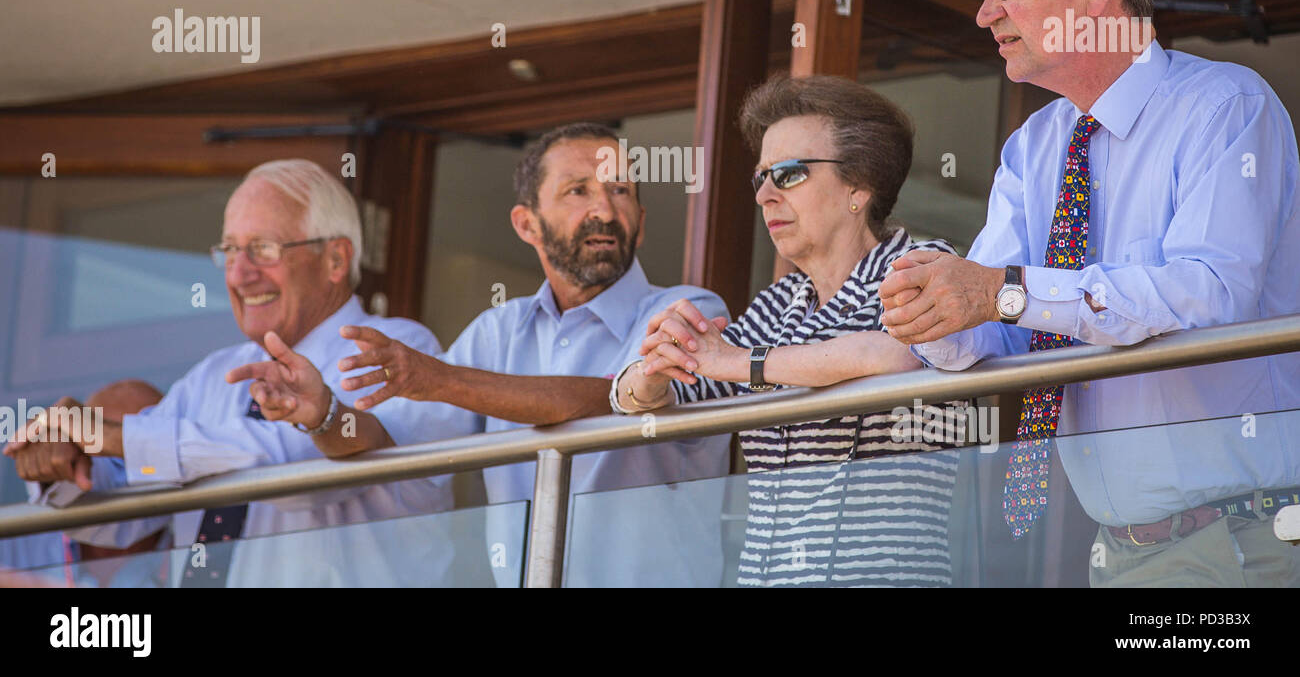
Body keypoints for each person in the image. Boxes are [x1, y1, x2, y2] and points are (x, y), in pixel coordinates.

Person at [878, 0, 1300, 587]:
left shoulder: (1226, 106)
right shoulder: (1033, 147)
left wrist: (1001, 292)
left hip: (1243, 538)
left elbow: (1209, 292)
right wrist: (934, 307)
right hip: (1117, 551)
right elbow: (996, 324)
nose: (985, 13)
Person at [235, 123, 734, 586]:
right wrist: (323, 415)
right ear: (526, 224)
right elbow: (387, 447)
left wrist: (439, 379)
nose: (603, 209)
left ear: (641, 224)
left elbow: (613, 399)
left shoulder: (688, 311)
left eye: (620, 190)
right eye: (578, 190)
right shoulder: (499, 330)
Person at [6, 159, 478, 587]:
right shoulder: (213, 377)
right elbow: (121, 515)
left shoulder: (394, 350)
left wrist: (113, 435)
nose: (239, 274)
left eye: (263, 249)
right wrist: (62, 466)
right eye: (230, 252)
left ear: (336, 259)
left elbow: (292, 469)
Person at [615, 75, 967, 586]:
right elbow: (681, 391)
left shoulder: (922, 265)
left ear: (858, 185)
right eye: (759, 178)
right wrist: (650, 376)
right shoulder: (778, 304)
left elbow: (903, 353)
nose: (765, 196)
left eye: (788, 174)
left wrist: (742, 362)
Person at [1, 380, 170, 587]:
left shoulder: (199, 548)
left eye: (136, 451)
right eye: (102, 447)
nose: (122, 471)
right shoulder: (17, 536)